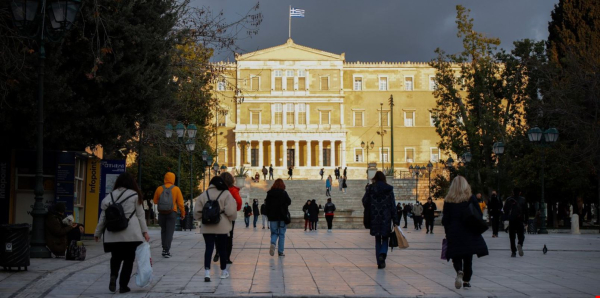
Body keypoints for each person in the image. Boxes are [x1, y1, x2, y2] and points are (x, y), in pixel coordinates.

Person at [94, 173, 150, 293]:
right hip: (131, 235)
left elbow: (103, 217)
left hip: (112, 234)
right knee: (129, 260)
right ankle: (123, 286)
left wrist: (97, 233)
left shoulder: (109, 196)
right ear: (131, 183)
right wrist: (145, 232)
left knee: (115, 257)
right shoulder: (135, 195)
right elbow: (140, 215)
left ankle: (113, 276)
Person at [442, 176, 489, 289]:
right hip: (468, 230)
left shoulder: (448, 200)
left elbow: (445, 219)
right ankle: (466, 281)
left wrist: (448, 232)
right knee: (468, 258)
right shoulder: (470, 198)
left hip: (454, 231)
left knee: (456, 255)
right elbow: (479, 214)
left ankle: (459, 270)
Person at [194, 176, 237, 281]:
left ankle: (207, 273)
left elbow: (196, 213)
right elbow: (231, 211)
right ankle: (223, 271)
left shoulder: (204, 194)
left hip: (207, 226)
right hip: (222, 226)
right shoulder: (226, 194)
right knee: (222, 249)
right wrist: (230, 219)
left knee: (208, 248)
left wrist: (204, 218)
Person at [362, 171, 398, 269]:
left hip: (374, 216)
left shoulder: (371, 188)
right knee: (385, 237)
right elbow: (393, 205)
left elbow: (364, 201)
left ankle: (379, 261)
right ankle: (382, 254)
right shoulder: (389, 189)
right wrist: (395, 219)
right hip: (386, 217)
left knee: (377, 239)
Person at [152, 172, 185, 258]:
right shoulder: (176, 189)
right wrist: (183, 213)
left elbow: (155, 201)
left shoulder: (159, 189)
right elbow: (181, 203)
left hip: (162, 213)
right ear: (173, 179)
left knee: (163, 231)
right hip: (172, 212)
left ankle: (164, 248)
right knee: (169, 232)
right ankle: (166, 250)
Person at [213, 172, 242, 264]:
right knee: (229, 237)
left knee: (218, 235)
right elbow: (239, 201)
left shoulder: (217, 189)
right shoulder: (233, 190)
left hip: (218, 215)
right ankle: (226, 258)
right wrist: (235, 209)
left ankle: (218, 250)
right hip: (229, 217)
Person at [265, 179, 291, 256]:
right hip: (282, 217)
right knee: (281, 234)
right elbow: (289, 202)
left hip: (273, 217)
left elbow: (267, 205)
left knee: (274, 233)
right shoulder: (283, 193)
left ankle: (273, 243)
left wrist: (268, 214)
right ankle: (280, 251)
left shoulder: (270, 193)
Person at [503, 188, 528, 257]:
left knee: (512, 237)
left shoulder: (508, 199)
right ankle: (520, 243)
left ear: (512, 192)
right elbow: (526, 211)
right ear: (520, 192)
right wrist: (526, 220)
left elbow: (505, 210)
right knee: (521, 235)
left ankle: (513, 251)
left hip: (512, 220)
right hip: (520, 220)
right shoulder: (523, 199)